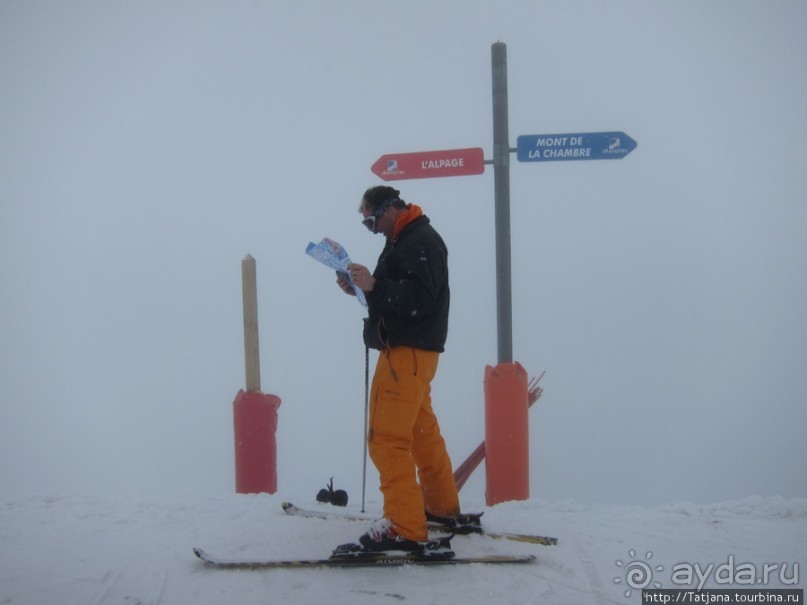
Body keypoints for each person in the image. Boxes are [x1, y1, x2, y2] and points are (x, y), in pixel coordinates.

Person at [336, 185, 470, 553]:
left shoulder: (418, 240)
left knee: (386, 438)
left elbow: (422, 300)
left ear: (390, 208)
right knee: (420, 431)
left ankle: (405, 525)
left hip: (406, 352)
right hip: (414, 351)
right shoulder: (404, 238)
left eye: (370, 219)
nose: (370, 227)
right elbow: (401, 294)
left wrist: (376, 284)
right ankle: (440, 508)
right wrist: (362, 290)